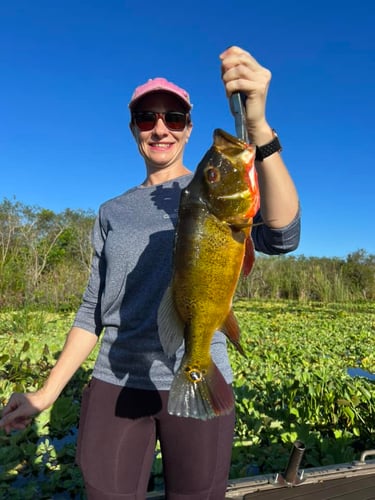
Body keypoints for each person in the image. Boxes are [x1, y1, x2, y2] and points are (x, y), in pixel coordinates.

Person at [0, 46, 300, 499]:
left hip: (200, 373)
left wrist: (258, 127)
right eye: (146, 117)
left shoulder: (213, 187)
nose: (160, 128)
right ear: (133, 129)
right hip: (115, 382)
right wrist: (44, 395)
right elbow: (91, 312)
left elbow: (282, 234)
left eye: (174, 117)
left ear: (188, 128)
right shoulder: (111, 211)